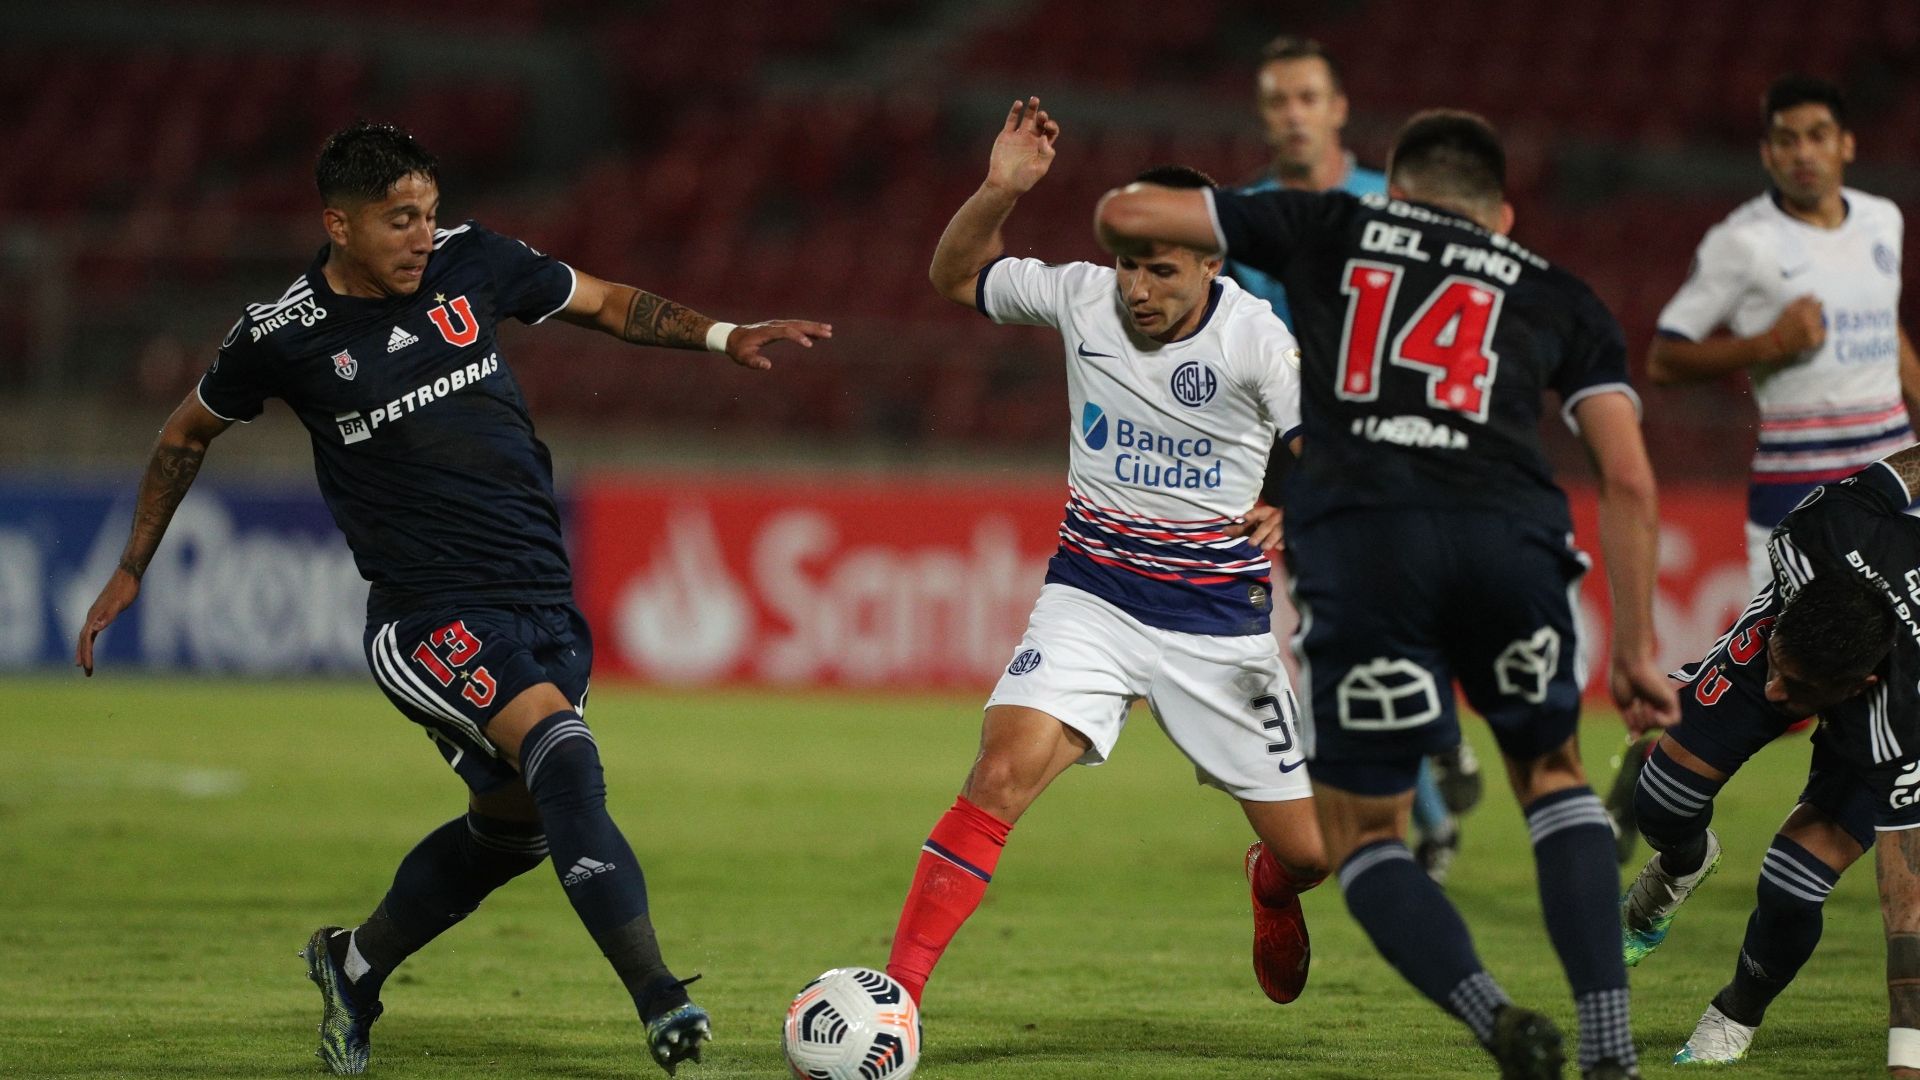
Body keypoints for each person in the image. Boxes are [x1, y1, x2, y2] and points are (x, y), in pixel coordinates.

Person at [72, 121, 830, 1077]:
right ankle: (661, 999)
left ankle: (351, 967)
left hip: (542, 603)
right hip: (428, 615)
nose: (423, 235)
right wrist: (136, 562)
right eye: (399, 220)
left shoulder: (477, 262)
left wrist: (722, 335)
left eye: (428, 213)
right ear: (337, 225)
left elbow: (601, 302)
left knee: (513, 828)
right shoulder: (283, 335)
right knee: (563, 752)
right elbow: (186, 433)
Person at [1097, 109, 1677, 1080]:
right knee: (1555, 783)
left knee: (1365, 836)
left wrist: (1198, 215)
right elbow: (1629, 481)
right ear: (1500, 213)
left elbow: (1126, 211)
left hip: (1368, 551)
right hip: (1507, 539)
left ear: (1395, 194)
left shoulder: (1328, 224)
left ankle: (1493, 1018)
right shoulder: (1557, 291)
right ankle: (1610, 1050)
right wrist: (1636, 648)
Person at [885, 97, 1326, 1018]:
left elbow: (1321, 436)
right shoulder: (1080, 293)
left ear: (1212, 263)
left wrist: (1288, 496)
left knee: (1311, 854)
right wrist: (998, 190)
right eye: (1129, 266)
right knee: (999, 774)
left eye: (1161, 270)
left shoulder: (1258, 337)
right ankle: (897, 1002)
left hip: (1219, 630)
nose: (1137, 289)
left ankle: (1269, 883)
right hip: (1092, 598)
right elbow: (954, 276)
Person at [1606, 73, 1920, 868]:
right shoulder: (1742, 244)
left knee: (1883, 680)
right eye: (1787, 138)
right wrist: (1766, 347)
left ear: (1847, 143)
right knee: (1777, 682)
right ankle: (1659, 763)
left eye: (1818, 135)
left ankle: (1839, 848)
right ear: (1766, 151)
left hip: (1893, 488)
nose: (1804, 153)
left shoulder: (1882, 220)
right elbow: (1666, 359)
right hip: (1797, 503)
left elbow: (1888, 335)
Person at [1231, 32, 1480, 885]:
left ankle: (1441, 752)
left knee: (1399, 623)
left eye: (1307, 97)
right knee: (1345, 641)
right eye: (1277, 100)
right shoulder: (1247, 220)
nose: (1293, 115)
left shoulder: (1395, 203)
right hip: (1304, 462)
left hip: (1401, 447)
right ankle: (1439, 785)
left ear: (1338, 108)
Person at [1616, 443, 1920, 1067]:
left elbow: (1905, 907)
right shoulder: (1814, 532)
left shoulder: (1901, 724)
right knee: (1663, 798)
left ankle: (1735, 1013)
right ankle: (1684, 860)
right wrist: (1785, 663)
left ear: (1858, 687)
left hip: (1881, 697)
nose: (1782, 701)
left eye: (1797, 695)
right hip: (1794, 639)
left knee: (1793, 883)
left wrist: (1906, 1056)